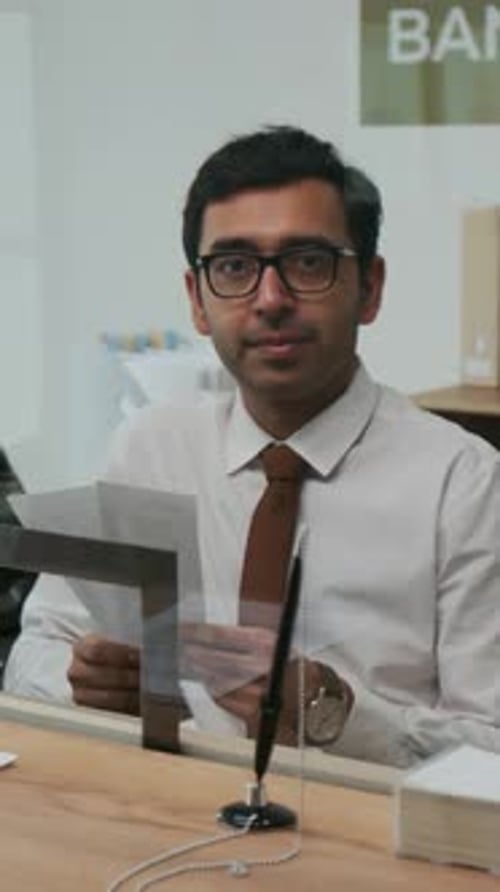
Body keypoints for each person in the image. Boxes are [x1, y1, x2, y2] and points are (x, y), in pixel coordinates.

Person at [4, 126, 499, 768]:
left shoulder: (464, 484)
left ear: (370, 288)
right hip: (170, 825)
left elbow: (493, 751)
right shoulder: (151, 449)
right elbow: (32, 654)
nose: (270, 299)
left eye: (307, 263)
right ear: (198, 302)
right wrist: (81, 685)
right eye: (235, 267)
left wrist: (338, 716)